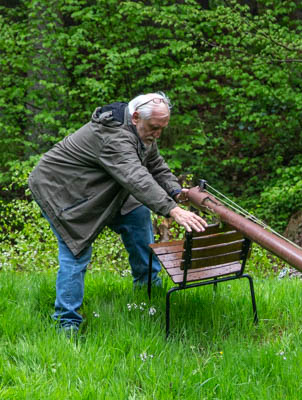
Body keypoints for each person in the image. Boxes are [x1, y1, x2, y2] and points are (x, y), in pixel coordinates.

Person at [28, 92, 207, 331]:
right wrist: (172, 210)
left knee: (138, 216)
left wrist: (175, 191)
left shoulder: (141, 132)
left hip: (103, 190)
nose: (157, 134)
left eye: (162, 128)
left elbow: (154, 165)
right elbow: (136, 178)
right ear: (135, 117)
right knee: (76, 251)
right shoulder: (113, 137)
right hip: (63, 192)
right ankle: (66, 324)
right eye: (154, 127)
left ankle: (148, 295)